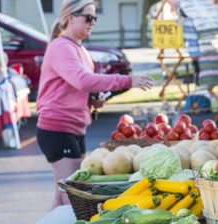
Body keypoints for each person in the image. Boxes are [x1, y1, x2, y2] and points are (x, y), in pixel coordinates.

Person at [36, 0, 155, 210]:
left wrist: (91, 100)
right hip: (57, 128)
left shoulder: (79, 50)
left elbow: (78, 87)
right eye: (88, 17)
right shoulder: (61, 47)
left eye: (95, 18)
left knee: (62, 194)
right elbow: (82, 80)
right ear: (70, 17)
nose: (93, 22)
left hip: (74, 128)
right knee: (71, 196)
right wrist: (128, 80)